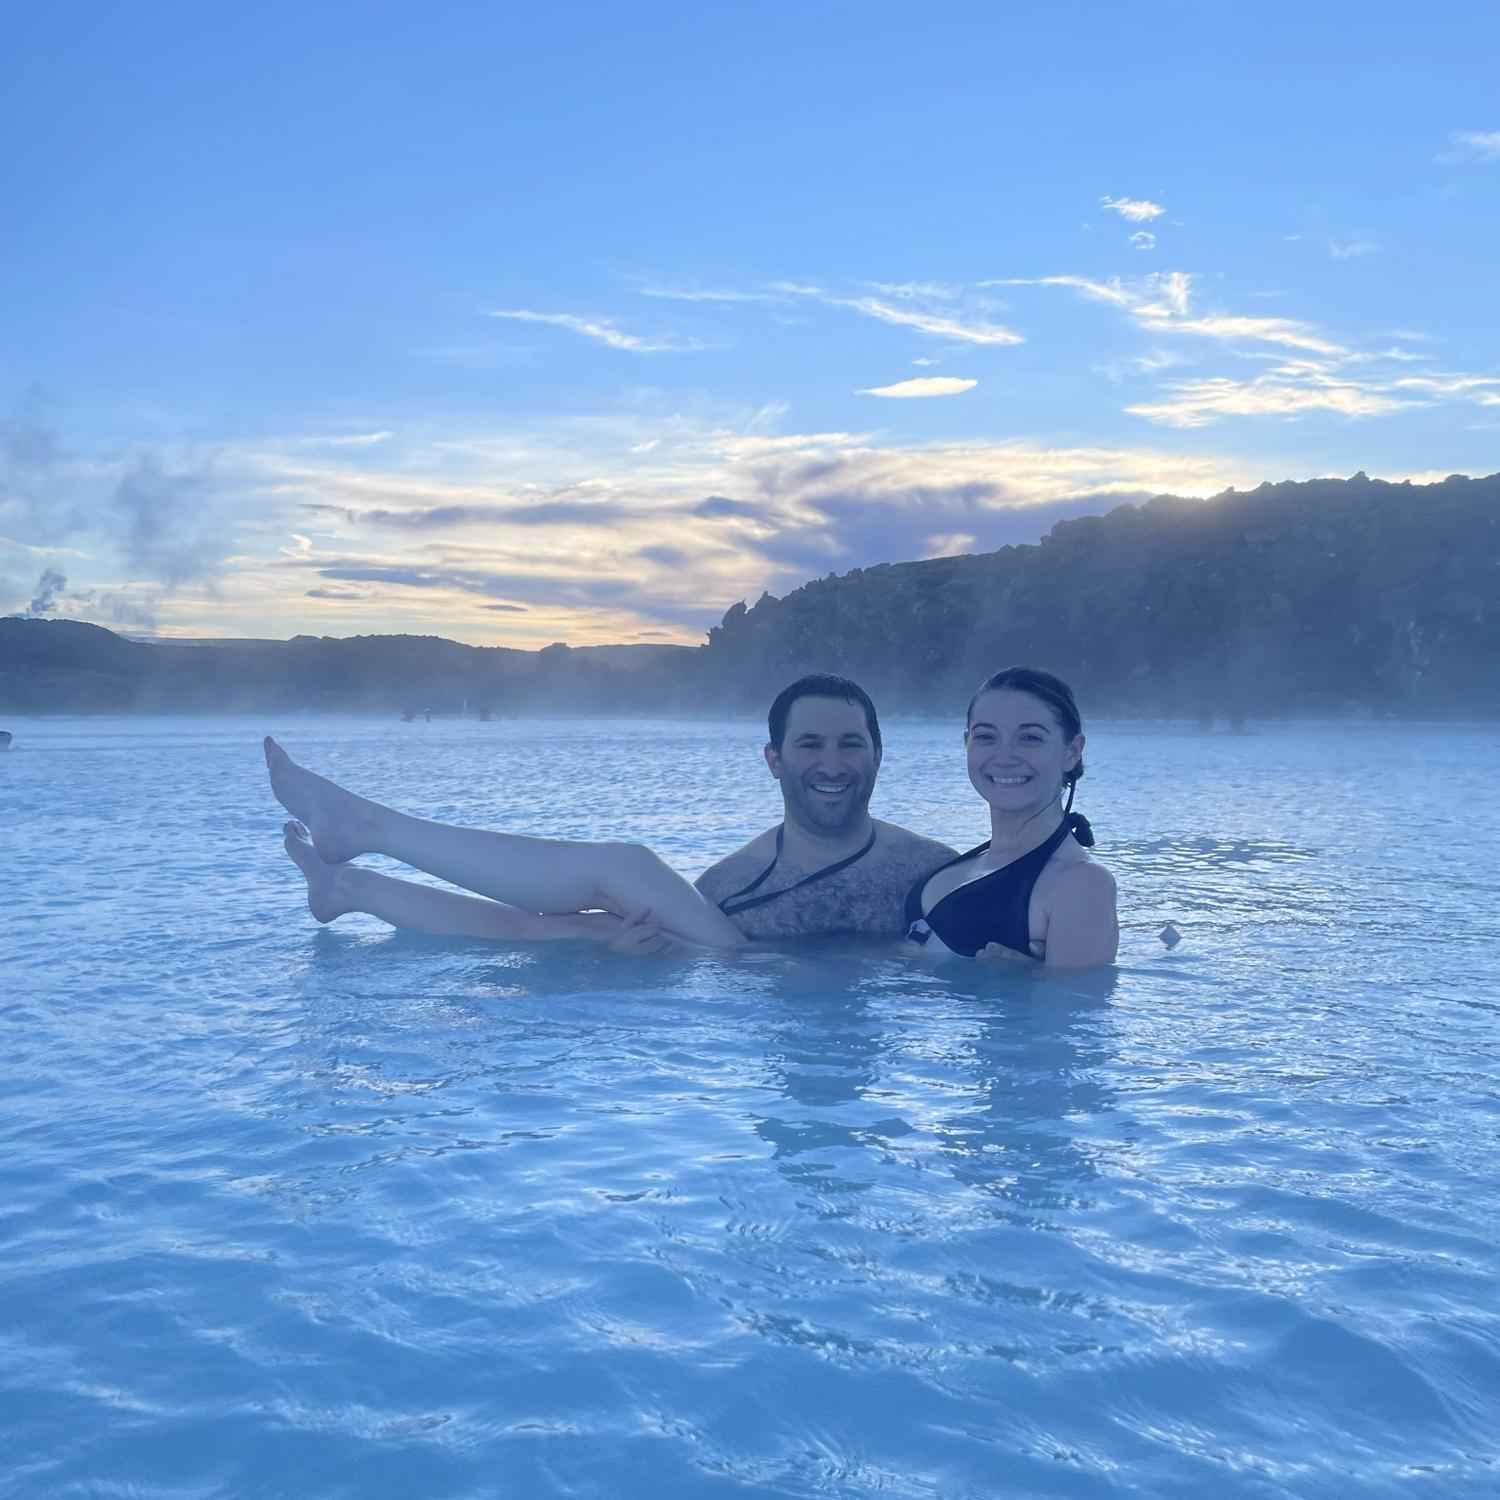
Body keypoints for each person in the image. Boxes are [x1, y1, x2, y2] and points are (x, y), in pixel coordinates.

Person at [267, 674, 955, 953]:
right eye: (810, 745)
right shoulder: (728, 885)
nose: (831, 764)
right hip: (733, 984)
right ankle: (351, 885)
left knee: (616, 876)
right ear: (775, 760)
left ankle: (364, 833)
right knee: (570, 929)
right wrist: (618, 954)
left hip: (750, 974)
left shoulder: (932, 871)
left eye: (849, 744)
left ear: (877, 754)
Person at [905, 667, 1118, 969]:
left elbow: (1079, 1007)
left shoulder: (1080, 885)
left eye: (1030, 738)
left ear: (1072, 751)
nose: (1004, 756)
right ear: (967, 742)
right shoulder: (977, 861)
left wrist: (1021, 986)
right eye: (986, 737)